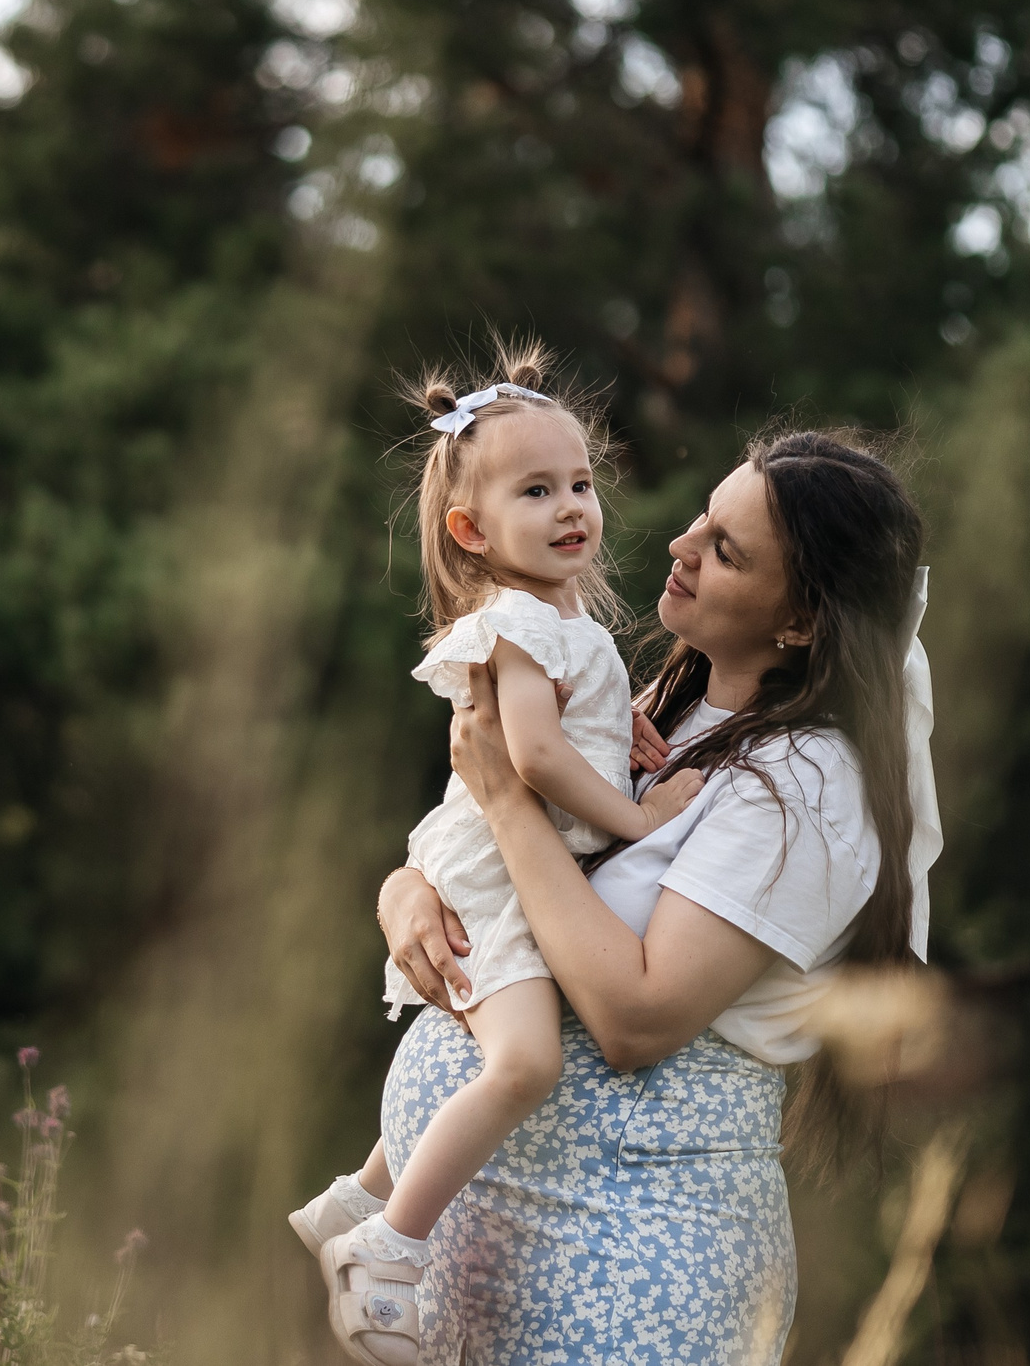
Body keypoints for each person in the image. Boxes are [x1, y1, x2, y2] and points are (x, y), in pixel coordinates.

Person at [365, 428, 943, 1365]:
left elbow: (638, 1015)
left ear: (799, 621)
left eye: (726, 549)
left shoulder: (806, 783)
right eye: (702, 520)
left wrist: (509, 801)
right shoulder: (669, 707)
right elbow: (515, 855)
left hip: (632, 1249)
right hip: (505, 1246)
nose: (680, 545)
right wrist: (406, 896)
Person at [290, 344, 701, 1366]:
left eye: (579, 484)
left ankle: (360, 1191)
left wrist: (625, 734)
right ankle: (384, 1248)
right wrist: (641, 817)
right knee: (521, 1061)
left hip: (505, 863)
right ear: (469, 530)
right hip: (493, 873)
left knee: (499, 1038)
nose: (572, 506)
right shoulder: (517, 620)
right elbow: (529, 754)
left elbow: (570, 733)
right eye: (535, 491)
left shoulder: (559, 619)